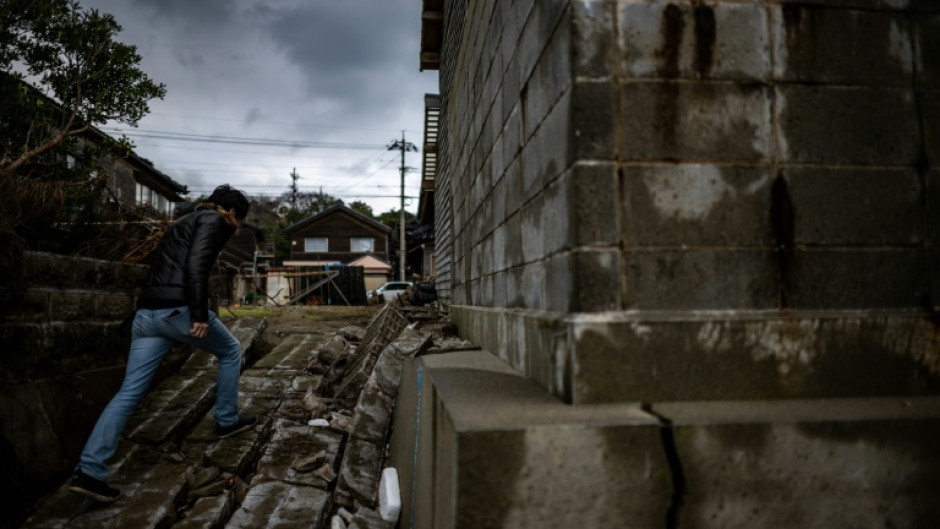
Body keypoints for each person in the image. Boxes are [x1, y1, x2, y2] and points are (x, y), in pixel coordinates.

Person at [69, 185, 257, 503]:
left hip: (147, 317)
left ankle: (89, 471)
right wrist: (199, 314)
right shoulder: (213, 221)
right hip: (179, 310)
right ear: (234, 212)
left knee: (128, 393)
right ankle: (226, 420)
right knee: (230, 350)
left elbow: (160, 270)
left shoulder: (182, 222)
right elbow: (196, 267)